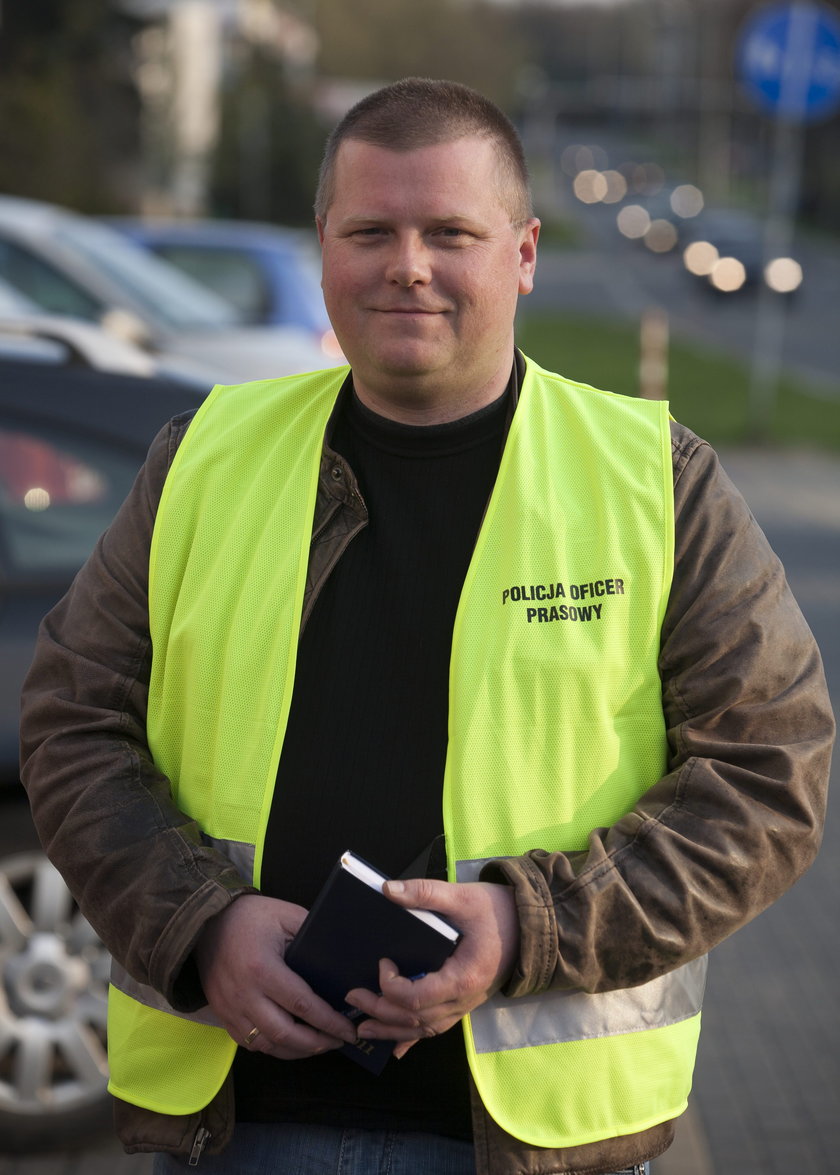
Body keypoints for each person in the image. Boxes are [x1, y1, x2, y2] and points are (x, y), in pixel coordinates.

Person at [19, 78, 833, 1175]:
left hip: (537, 1145)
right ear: (323, 248)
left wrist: (524, 926)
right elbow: (72, 717)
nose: (409, 264)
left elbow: (770, 772)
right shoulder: (202, 455)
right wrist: (197, 921)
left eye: (450, 231)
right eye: (372, 231)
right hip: (239, 1120)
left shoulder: (658, 481)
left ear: (526, 253)